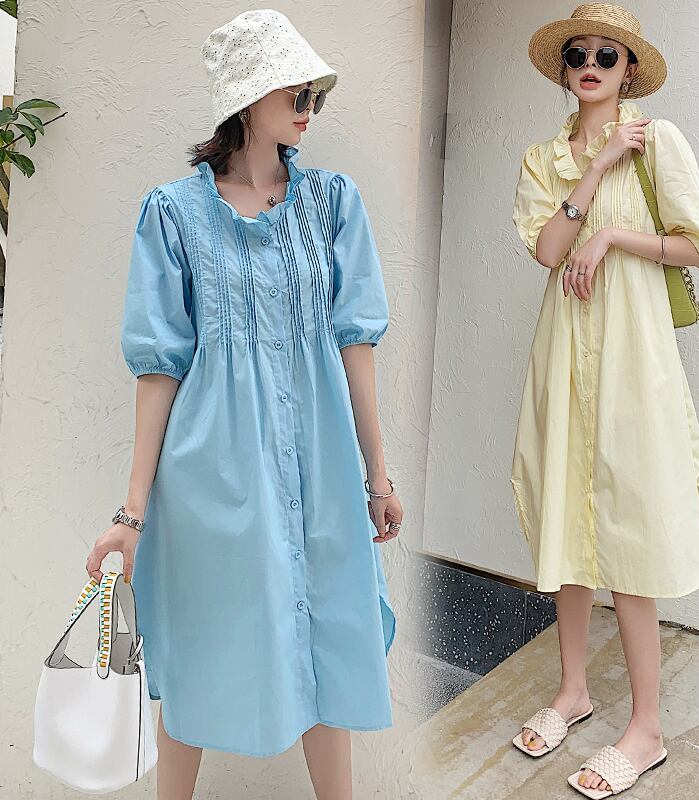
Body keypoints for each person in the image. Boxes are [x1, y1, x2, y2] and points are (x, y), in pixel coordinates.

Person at [85, 10, 402, 800]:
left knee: (329, 638)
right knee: (200, 650)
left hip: (323, 463)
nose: (309, 108)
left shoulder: (333, 204)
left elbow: (356, 343)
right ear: (249, 95)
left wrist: (378, 475)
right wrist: (131, 512)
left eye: (316, 95)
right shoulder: (173, 213)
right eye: (296, 92)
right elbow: (159, 366)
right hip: (214, 472)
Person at [509, 3, 699, 797]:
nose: (591, 66)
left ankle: (647, 729)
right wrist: (594, 172)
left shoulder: (658, 142)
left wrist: (613, 235)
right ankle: (573, 692)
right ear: (565, 69)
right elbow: (547, 250)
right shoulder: (545, 158)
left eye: (608, 55)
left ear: (629, 70)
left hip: (635, 360)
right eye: (579, 54)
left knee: (631, 530)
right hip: (566, 355)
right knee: (569, 521)